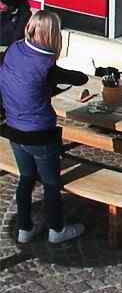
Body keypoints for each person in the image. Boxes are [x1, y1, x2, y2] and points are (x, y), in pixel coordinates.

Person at [3, 13, 81, 244]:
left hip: (13, 128)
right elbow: (77, 79)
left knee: (26, 178)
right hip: (40, 134)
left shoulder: (14, 49)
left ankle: (24, 228)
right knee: (51, 183)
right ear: (52, 34)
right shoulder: (46, 65)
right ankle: (57, 229)